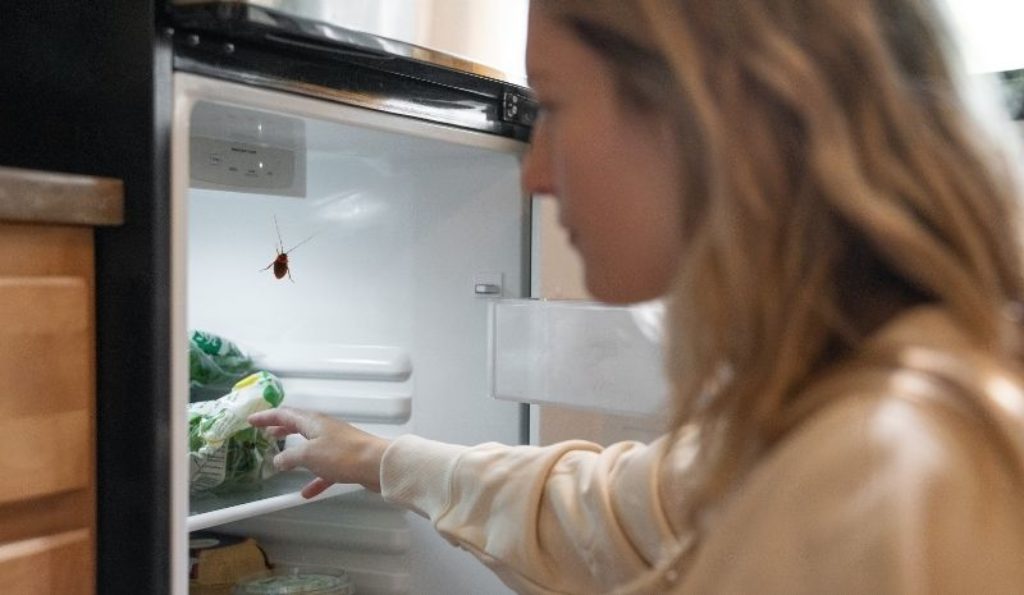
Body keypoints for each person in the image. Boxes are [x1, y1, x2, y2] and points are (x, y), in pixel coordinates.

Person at [250, 0, 1024, 592]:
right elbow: (613, 513)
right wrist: (381, 458)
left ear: (707, 111)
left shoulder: (884, 472)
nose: (532, 174)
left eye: (554, 104)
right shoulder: (839, 404)